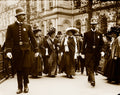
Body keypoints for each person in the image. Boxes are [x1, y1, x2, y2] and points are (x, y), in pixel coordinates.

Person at [5, 7, 39, 94]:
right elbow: (8, 40)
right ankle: (19, 87)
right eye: (22, 15)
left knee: (26, 69)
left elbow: (32, 39)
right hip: (16, 51)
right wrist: (8, 51)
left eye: (24, 15)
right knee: (19, 69)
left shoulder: (28, 26)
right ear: (18, 16)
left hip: (27, 51)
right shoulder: (11, 27)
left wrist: (36, 50)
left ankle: (26, 85)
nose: (24, 16)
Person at [82, 18, 104, 86]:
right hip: (89, 53)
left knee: (95, 67)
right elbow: (84, 43)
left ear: (96, 25)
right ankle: (93, 80)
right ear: (90, 25)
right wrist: (82, 52)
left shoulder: (99, 34)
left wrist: (102, 50)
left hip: (96, 54)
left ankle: (90, 77)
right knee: (90, 66)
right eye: (92, 25)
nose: (93, 26)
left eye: (95, 24)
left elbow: (102, 43)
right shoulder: (86, 34)